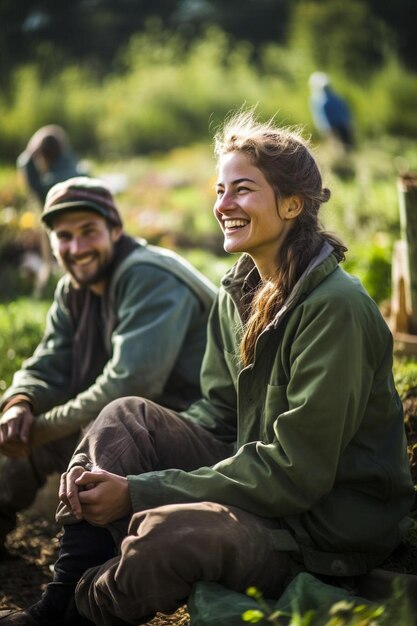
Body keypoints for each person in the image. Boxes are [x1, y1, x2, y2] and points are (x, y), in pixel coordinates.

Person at [1, 111, 413, 626]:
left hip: (324, 530)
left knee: (173, 537)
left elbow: (295, 474)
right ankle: (60, 600)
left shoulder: (336, 309)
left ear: (292, 204)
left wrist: (144, 490)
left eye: (242, 190)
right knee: (126, 416)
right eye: (219, 190)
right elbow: (218, 414)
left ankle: (83, 614)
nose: (223, 206)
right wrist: (134, 468)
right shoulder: (238, 292)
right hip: (265, 489)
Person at [0, 176, 217, 559]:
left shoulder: (147, 275)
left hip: (204, 434)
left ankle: (71, 585)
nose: (77, 247)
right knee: (19, 420)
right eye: (64, 236)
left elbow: (131, 383)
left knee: (93, 429)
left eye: (89, 232)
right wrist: (21, 401)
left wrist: (39, 432)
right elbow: (50, 360)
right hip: (142, 426)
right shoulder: (74, 289)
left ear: (115, 230)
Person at [17, 125, 89, 295]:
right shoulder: (78, 169)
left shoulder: (48, 185)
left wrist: (30, 149)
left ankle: (53, 289)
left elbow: (25, 166)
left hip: (62, 228)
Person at [309, 72, 355, 151]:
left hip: (339, 125)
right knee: (339, 147)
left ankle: (346, 160)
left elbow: (344, 110)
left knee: (346, 146)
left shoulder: (333, 97)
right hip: (333, 126)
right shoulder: (319, 99)